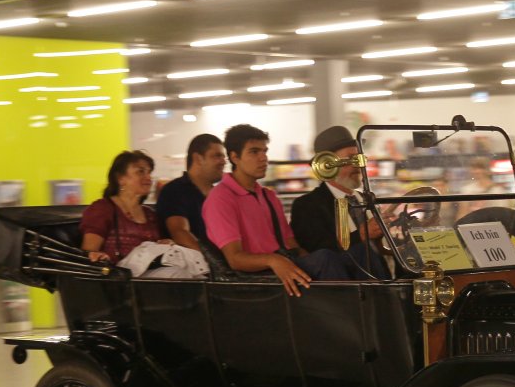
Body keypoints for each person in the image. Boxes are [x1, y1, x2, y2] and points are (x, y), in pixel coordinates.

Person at [202, 123, 353, 296]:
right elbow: (235, 259)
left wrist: (307, 259)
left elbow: (290, 243)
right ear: (234, 157)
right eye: (254, 152)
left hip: (282, 263)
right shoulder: (220, 198)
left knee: (356, 254)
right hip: (258, 277)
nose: (263, 158)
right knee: (325, 259)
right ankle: (352, 309)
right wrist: (274, 260)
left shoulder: (268, 195)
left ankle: (372, 305)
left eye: (264, 151)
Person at [290, 125, 389, 278]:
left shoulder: (366, 199)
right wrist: (361, 234)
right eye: (350, 159)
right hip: (347, 287)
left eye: (358, 159)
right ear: (326, 166)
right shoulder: (307, 205)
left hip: (383, 282)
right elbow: (317, 251)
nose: (357, 165)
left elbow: (378, 249)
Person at [80, 150, 168, 263]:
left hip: (152, 272)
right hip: (116, 272)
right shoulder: (102, 209)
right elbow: (89, 254)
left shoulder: (150, 215)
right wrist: (100, 257)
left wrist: (165, 245)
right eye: (140, 172)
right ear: (120, 179)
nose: (148, 178)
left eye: (149, 172)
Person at [154, 133, 225, 250]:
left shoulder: (221, 195)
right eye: (217, 156)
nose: (223, 161)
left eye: (223, 157)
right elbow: (180, 234)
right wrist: (213, 259)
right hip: (191, 261)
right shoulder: (174, 191)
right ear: (198, 158)